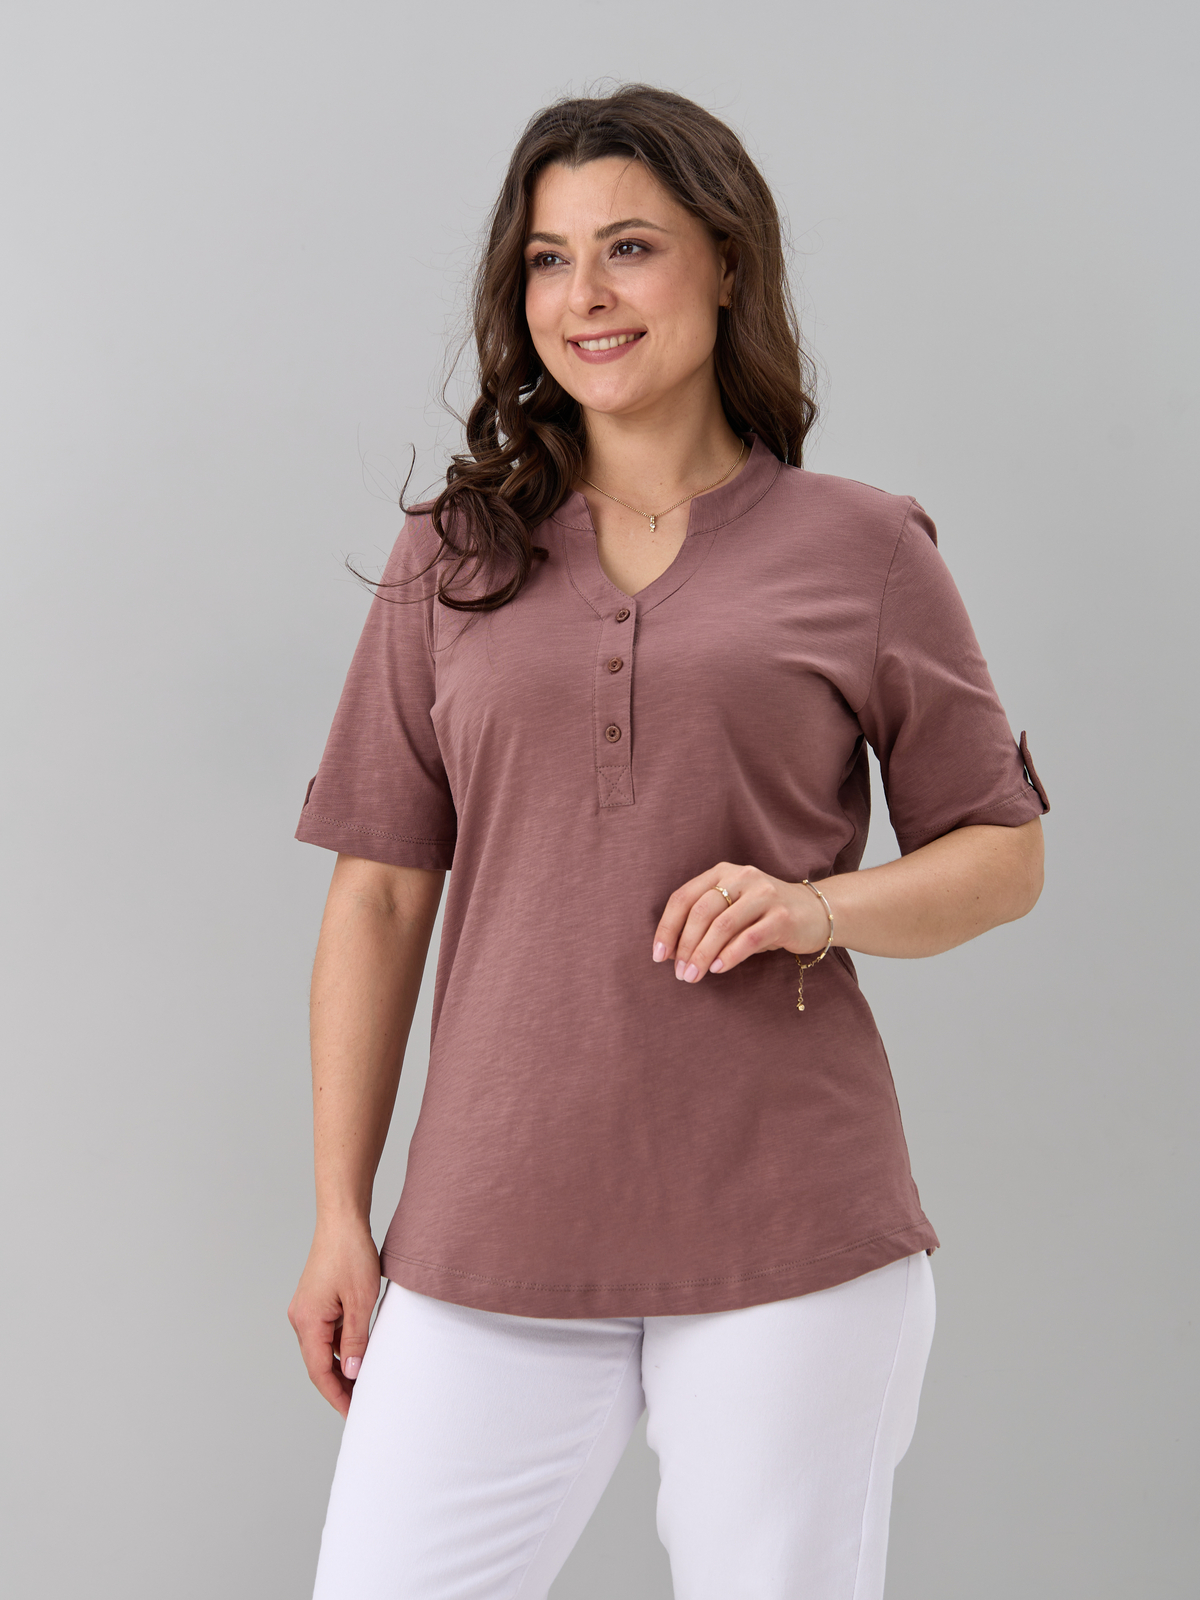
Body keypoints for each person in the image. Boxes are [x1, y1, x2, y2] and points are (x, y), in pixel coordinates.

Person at [287, 83, 1049, 1600]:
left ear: (726, 264)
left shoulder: (864, 546)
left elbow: (1001, 855)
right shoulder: (453, 556)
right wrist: (337, 1215)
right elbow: (378, 898)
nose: (585, 295)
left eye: (628, 247)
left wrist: (817, 907)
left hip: (789, 1231)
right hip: (489, 1228)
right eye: (548, 259)